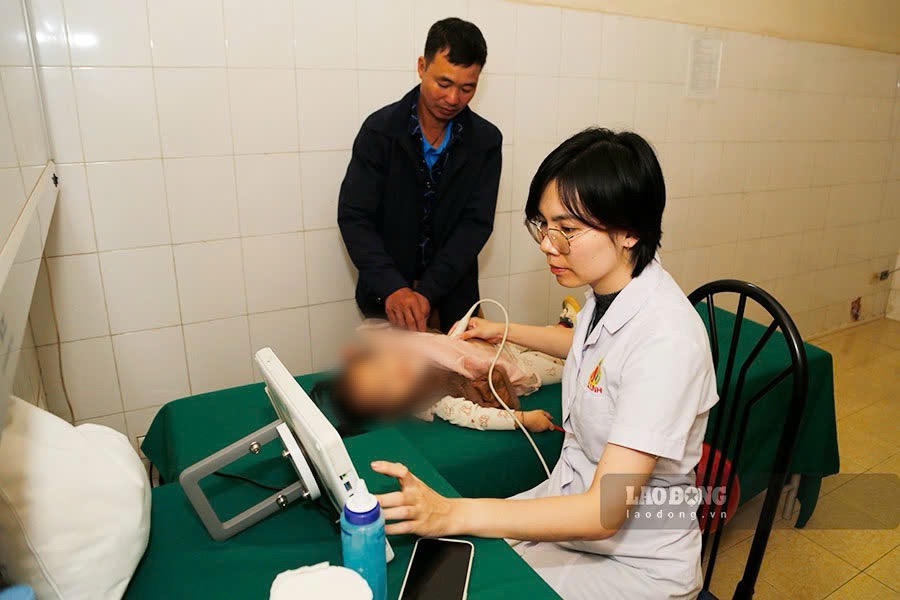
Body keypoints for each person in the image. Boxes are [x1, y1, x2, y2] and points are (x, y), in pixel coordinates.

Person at [370, 128, 719, 599]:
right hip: (573, 512)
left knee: (474, 566)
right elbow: (587, 344)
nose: (548, 244)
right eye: (543, 225)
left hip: (635, 560)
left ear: (630, 230)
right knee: (454, 564)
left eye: (567, 230)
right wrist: (502, 330)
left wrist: (455, 511)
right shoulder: (611, 291)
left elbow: (603, 512)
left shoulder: (667, 341)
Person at [338, 18, 502, 333]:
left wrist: (428, 291)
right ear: (421, 67)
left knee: (458, 365)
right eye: (444, 83)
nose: (453, 99)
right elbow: (354, 217)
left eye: (467, 88)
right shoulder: (380, 132)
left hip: (453, 294)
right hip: (386, 296)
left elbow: (475, 224)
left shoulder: (485, 142)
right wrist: (392, 287)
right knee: (388, 366)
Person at [314, 318, 567, 433]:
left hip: (496, 345)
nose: (393, 374)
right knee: (567, 363)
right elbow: (476, 417)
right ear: (391, 409)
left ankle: (563, 326)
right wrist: (522, 420)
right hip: (516, 370)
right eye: (386, 388)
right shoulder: (432, 397)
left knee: (546, 336)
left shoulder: (403, 349)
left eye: (381, 367)